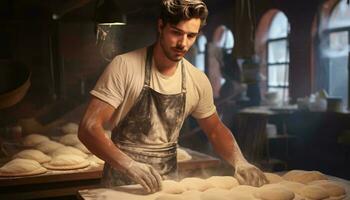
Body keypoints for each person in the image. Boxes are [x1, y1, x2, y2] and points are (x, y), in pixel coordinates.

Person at [78, 0, 267, 194]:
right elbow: (88, 128)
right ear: (161, 26)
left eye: (191, 36)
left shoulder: (197, 79)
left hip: (168, 187)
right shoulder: (124, 67)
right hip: (121, 185)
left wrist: (240, 161)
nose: (182, 43)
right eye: (176, 32)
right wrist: (129, 165)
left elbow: (215, 129)